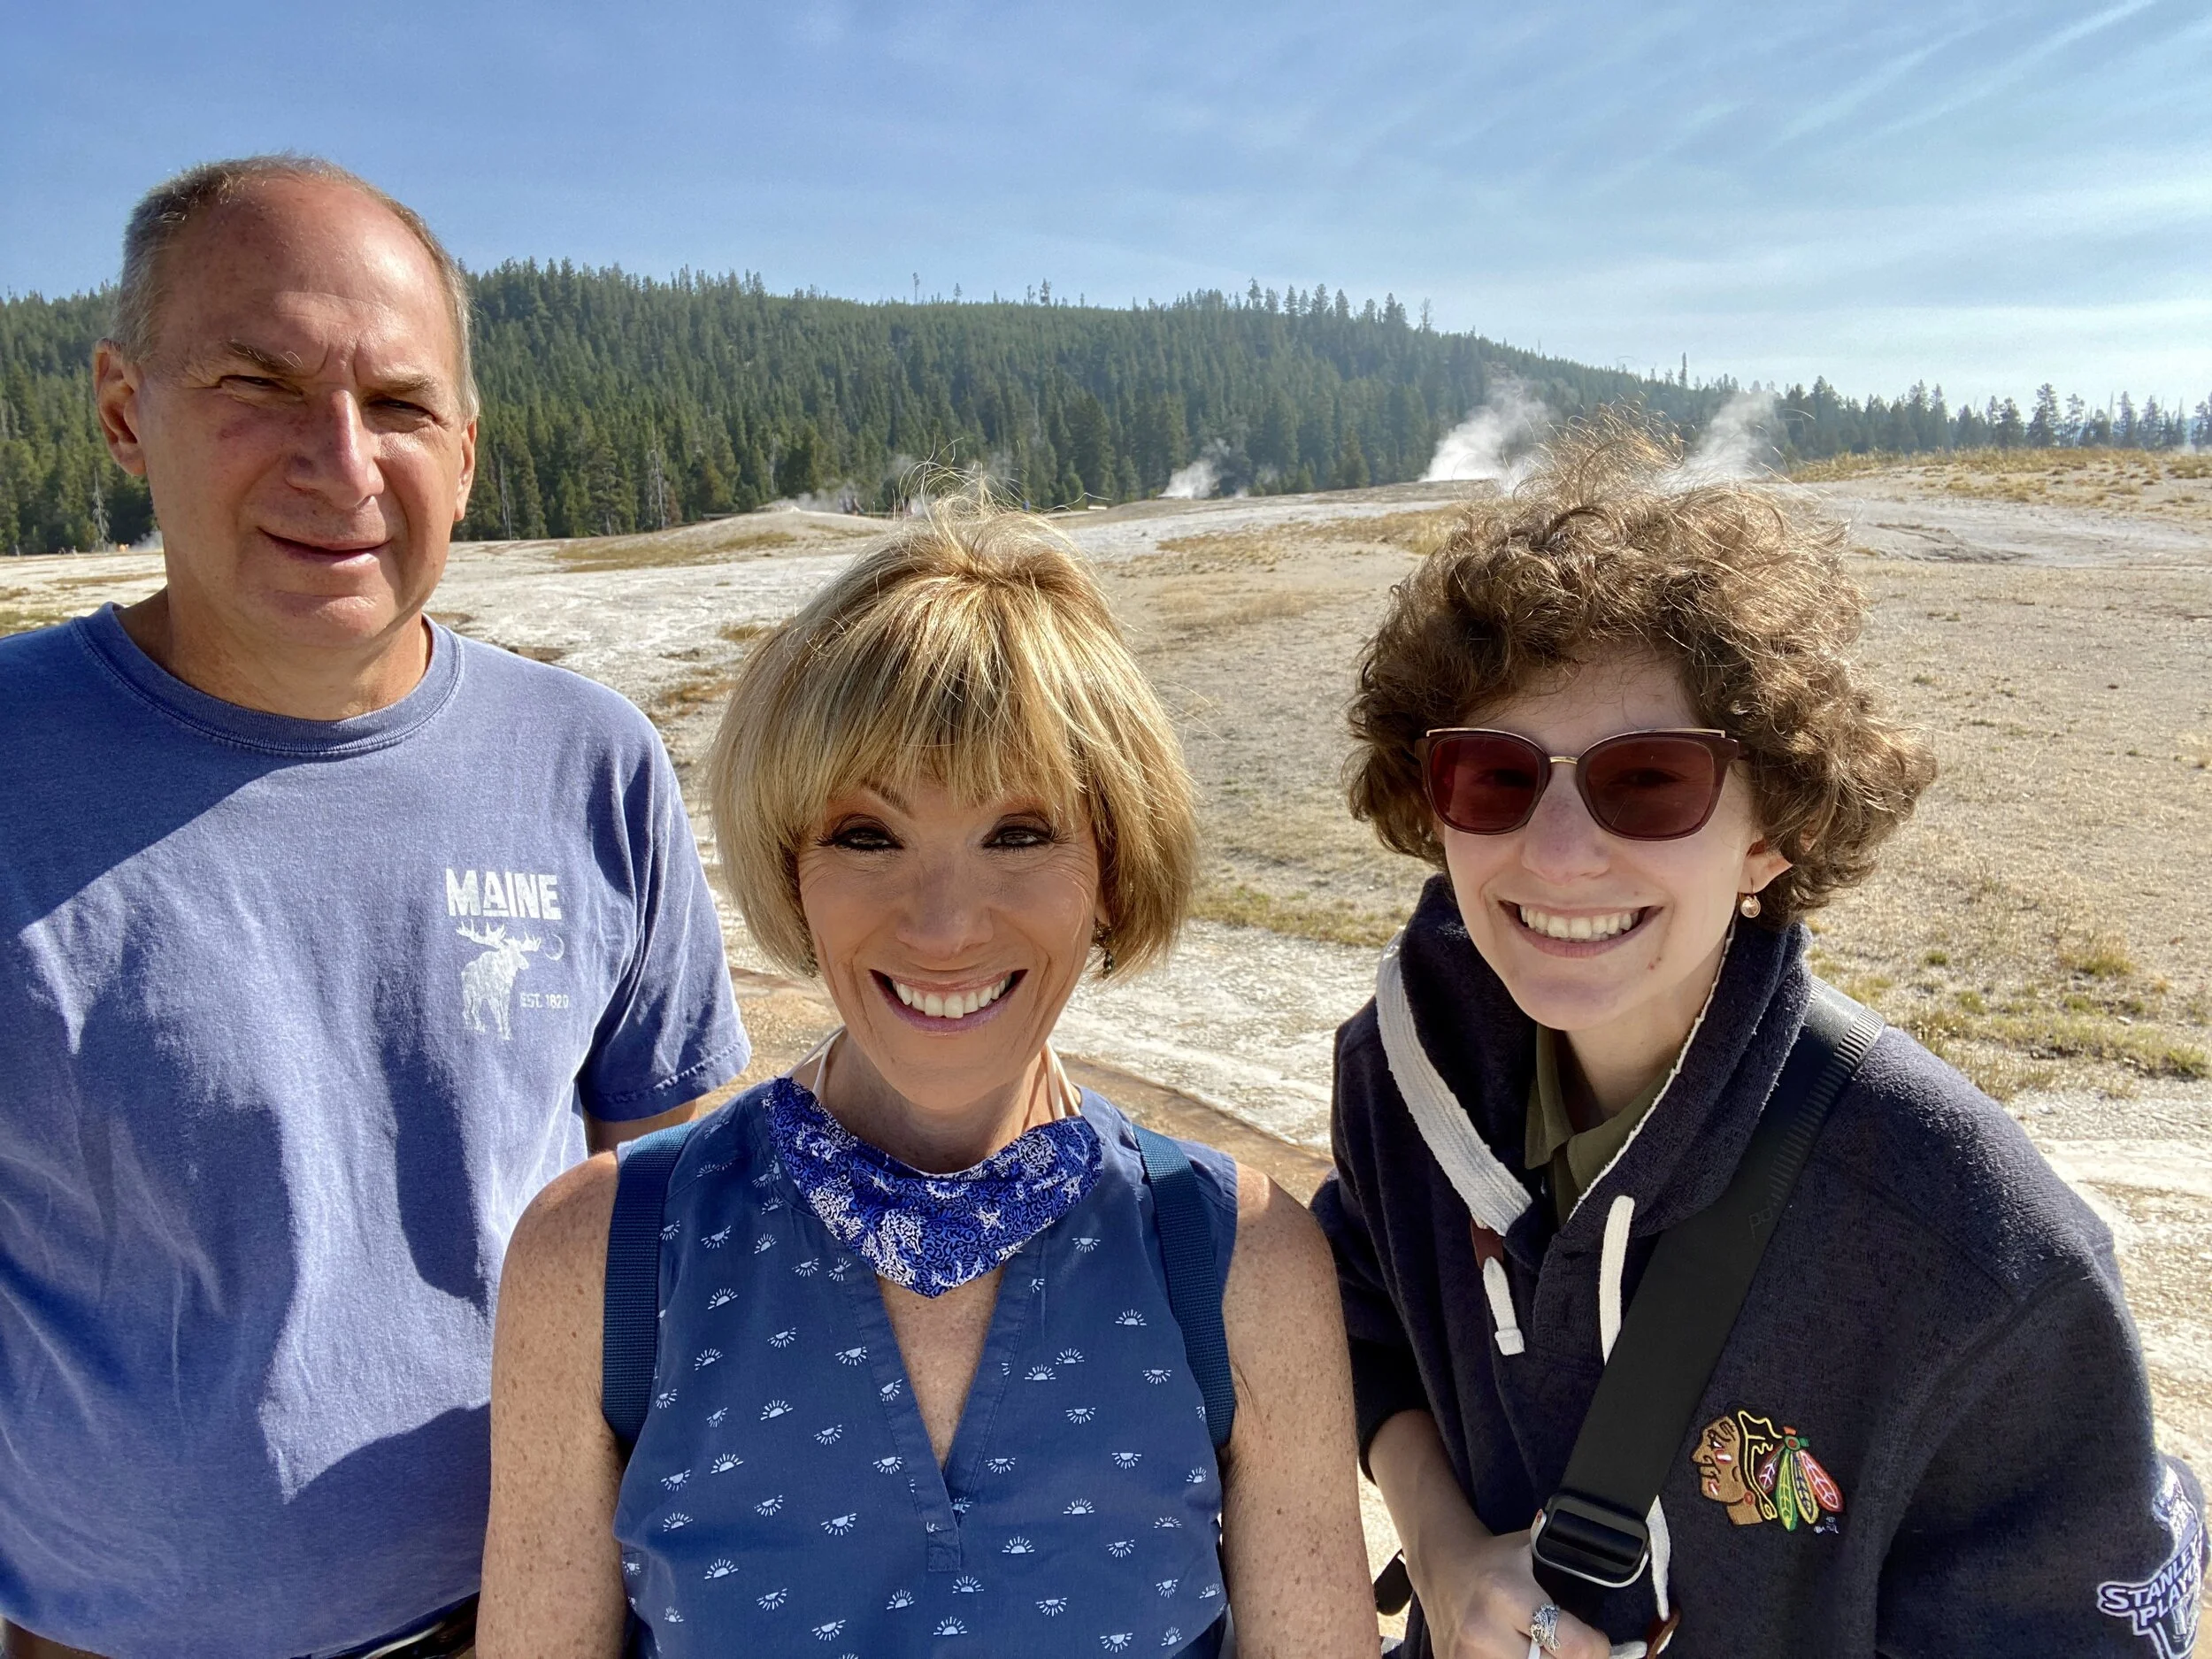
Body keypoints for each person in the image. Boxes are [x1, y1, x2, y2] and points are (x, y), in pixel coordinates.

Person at [0, 157, 748, 1659]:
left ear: (465, 455)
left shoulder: (587, 761)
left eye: (399, 405)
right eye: (259, 382)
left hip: (539, 1623)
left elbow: (687, 1218)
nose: (338, 462)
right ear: (122, 406)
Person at [1311, 419, 2206, 1657]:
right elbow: (1350, 1295)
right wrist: (1449, 1547)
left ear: (1771, 833)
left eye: (1649, 781)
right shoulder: (1401, 1079)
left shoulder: (1974, 1250)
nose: (1561, 851)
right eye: (1496, 777)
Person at [478, 502, 1375, 1657]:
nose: (945, 925)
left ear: (1111, 869)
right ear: (789, 867)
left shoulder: (1240, 1259)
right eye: (866, 833)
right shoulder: (599, 1255)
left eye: (1019, 832)